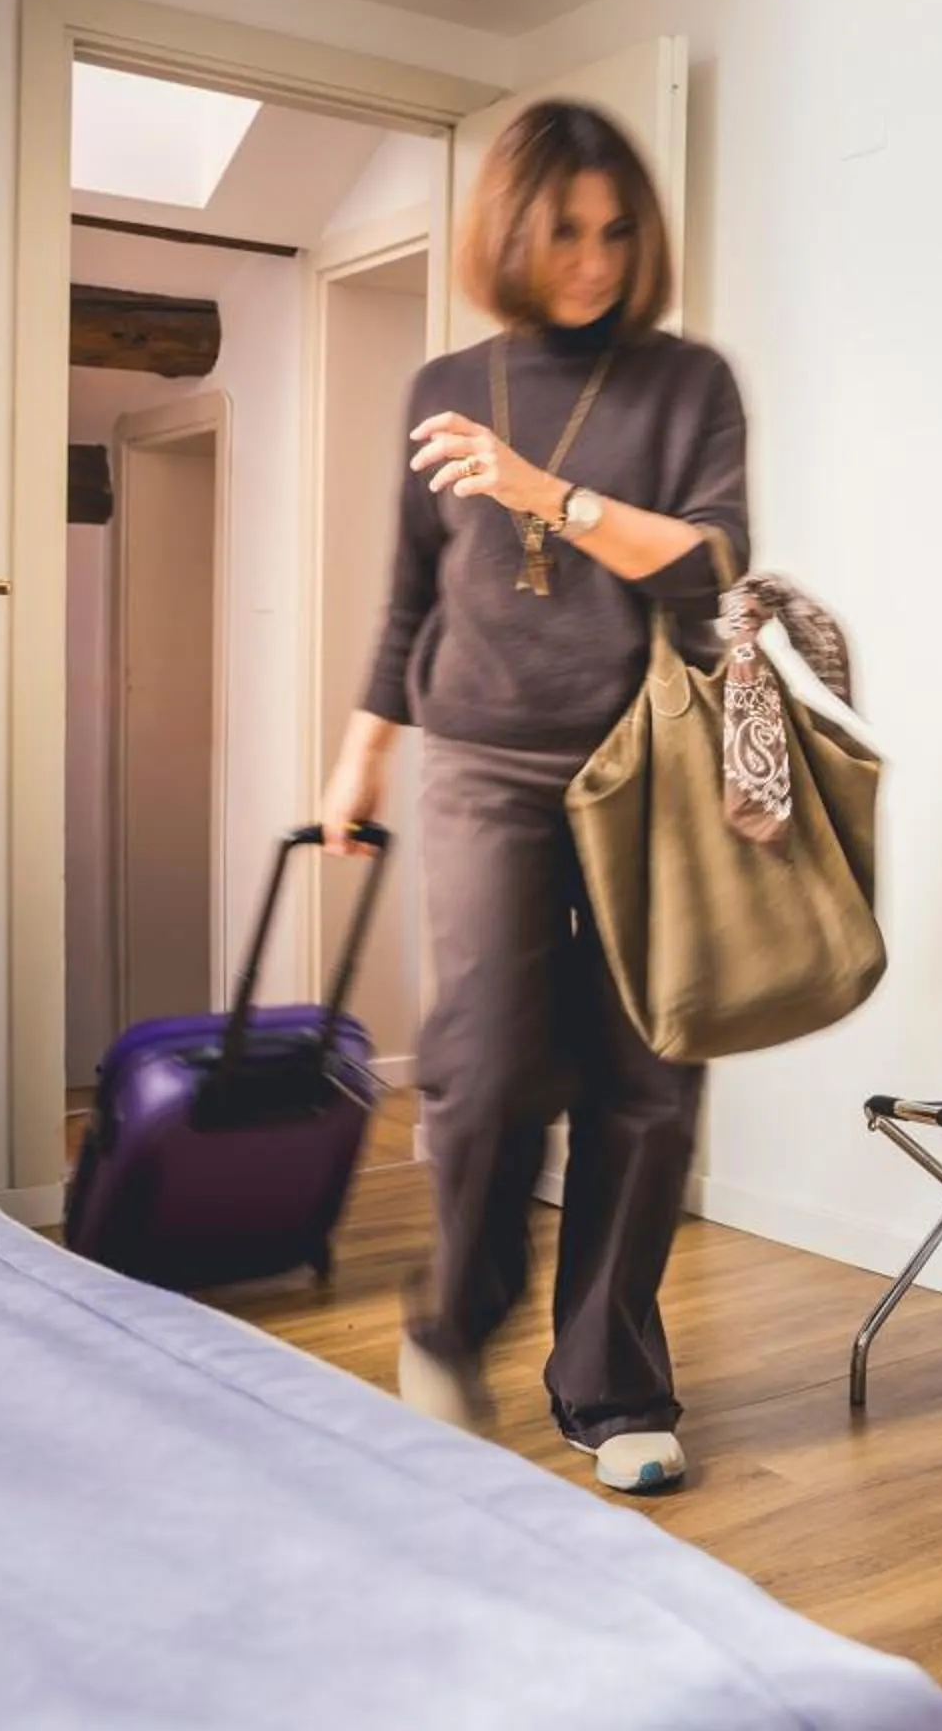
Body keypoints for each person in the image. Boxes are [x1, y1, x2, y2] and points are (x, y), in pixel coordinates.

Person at [318, 98, 746, 1495]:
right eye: (565, 232)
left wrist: (540, 492)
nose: (595, 260)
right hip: (485, 765)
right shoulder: (444, 383)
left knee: (646, 1083)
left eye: (618, 232)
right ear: (510, 228)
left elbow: (710, 564)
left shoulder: (688, 384)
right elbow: (410, 591)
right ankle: (451, 1324)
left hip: (651, 767)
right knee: (491, 1065)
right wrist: (362, 751)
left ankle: (612, 1387)